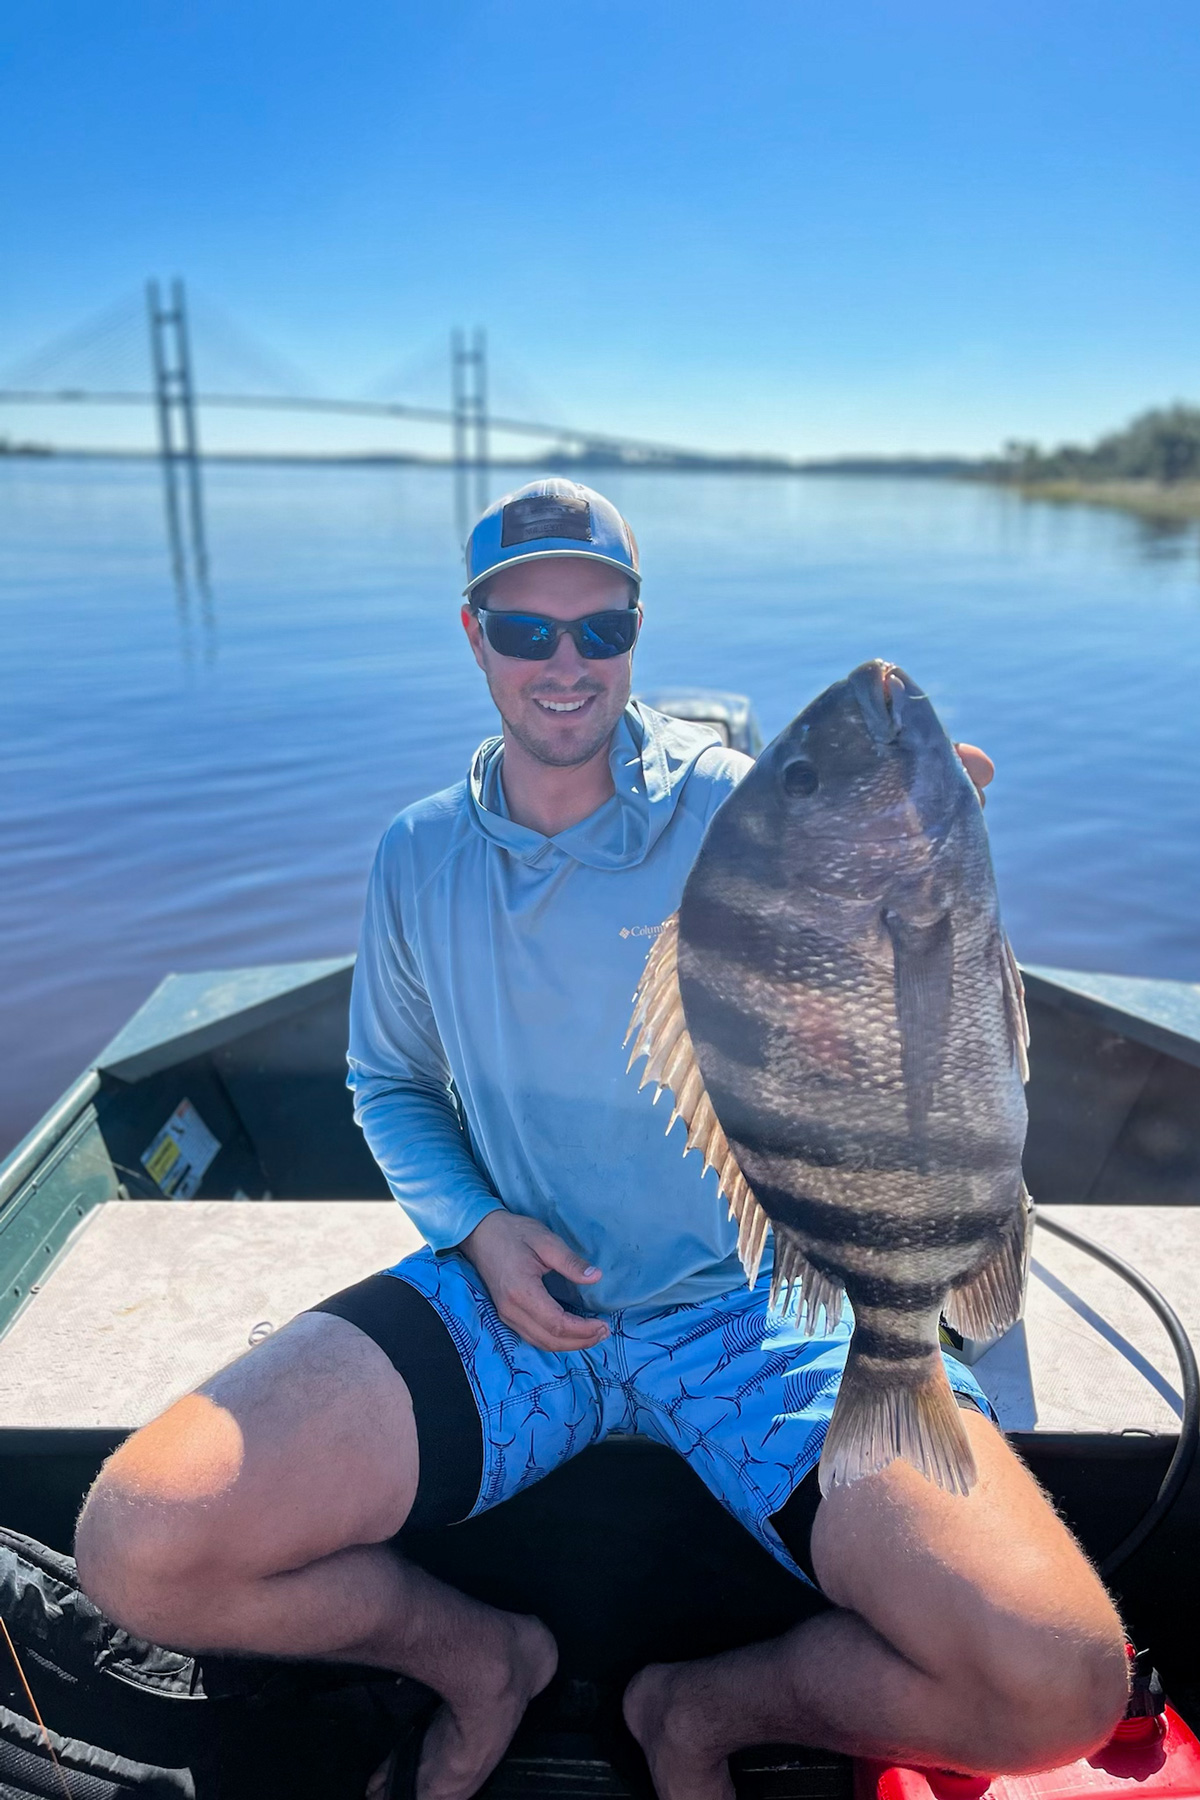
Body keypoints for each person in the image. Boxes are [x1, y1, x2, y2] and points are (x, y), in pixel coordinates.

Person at [75, 479, 1128, 1800]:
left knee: (1058, 1683)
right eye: (527, 631)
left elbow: (890, 942)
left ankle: (702, 1711)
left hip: (758, 1308)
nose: (565, 663)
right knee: (141, 1548)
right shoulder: (416, 857)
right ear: (475, 636)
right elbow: (389, 1085)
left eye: (600, 628)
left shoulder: (738, 809)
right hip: (512, 1310)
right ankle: (481, 1660)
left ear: (636, 632)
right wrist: (479, 1230)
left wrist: (924, 838)